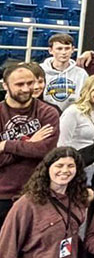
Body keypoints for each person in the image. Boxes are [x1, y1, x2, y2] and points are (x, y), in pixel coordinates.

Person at [0, 63, 60, 228]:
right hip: (2, 196)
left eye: (30, 83)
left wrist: (6, 145)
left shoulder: (47, 112)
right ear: (5, 85)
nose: (27, 89)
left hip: (37, 193)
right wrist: (29, 143)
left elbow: (46, 151)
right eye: (19, 84)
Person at [57, 74, 94, 186]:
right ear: (87, 90)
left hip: (90, 167)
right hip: (73, 167)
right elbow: (62, 144)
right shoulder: (73, 111)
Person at [41, 33, 88, 113]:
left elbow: (85, 99)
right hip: (46, 114)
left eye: (67, 48)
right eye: (59, 49)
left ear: (72, 50)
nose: (64, 52)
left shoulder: (82, 74)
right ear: (50, 50)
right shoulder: (41, 70)